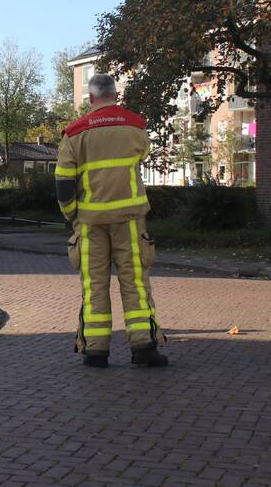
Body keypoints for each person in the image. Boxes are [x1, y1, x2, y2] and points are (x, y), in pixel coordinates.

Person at [55, 74, 168, 368]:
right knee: (135, 284)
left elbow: (63, 183)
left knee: (94, 286)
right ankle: (143, 347)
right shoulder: (135, 126)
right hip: (129, 220)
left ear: (91, 98)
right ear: (115, 95)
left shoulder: (74, 133)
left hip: (90, 223)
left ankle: (96, 351)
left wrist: (71, 215)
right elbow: (142, 155)